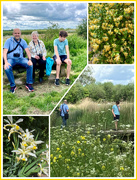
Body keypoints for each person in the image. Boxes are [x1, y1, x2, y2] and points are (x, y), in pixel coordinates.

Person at [3, 28, 34, 93]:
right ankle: (13, 85)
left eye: (18, 33)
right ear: (13, 34)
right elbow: (4, 52)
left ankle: (29, 83)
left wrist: (30, 60)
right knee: (7, 68)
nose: (17, 34)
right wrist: (5, 62)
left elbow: (27, 51)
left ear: (20, 34)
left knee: (30, 65)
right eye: (15, 33)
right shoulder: (8, 41)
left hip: (21, 58)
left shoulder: (23, 41)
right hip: (11, 59)